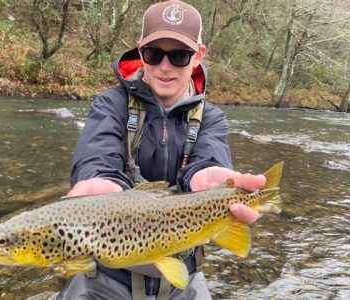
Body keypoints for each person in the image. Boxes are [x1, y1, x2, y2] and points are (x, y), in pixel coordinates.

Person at [58, 1, 265, 299]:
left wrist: (209, 177)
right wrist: (99, 181)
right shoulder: (111, 105)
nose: (165, 67)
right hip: (106, 278)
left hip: (183, 277)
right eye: (154, 54)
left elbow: (208, 161)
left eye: (179, 56)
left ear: (198, 56)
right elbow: (97, 157)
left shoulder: (212, 117)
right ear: (140, 50)